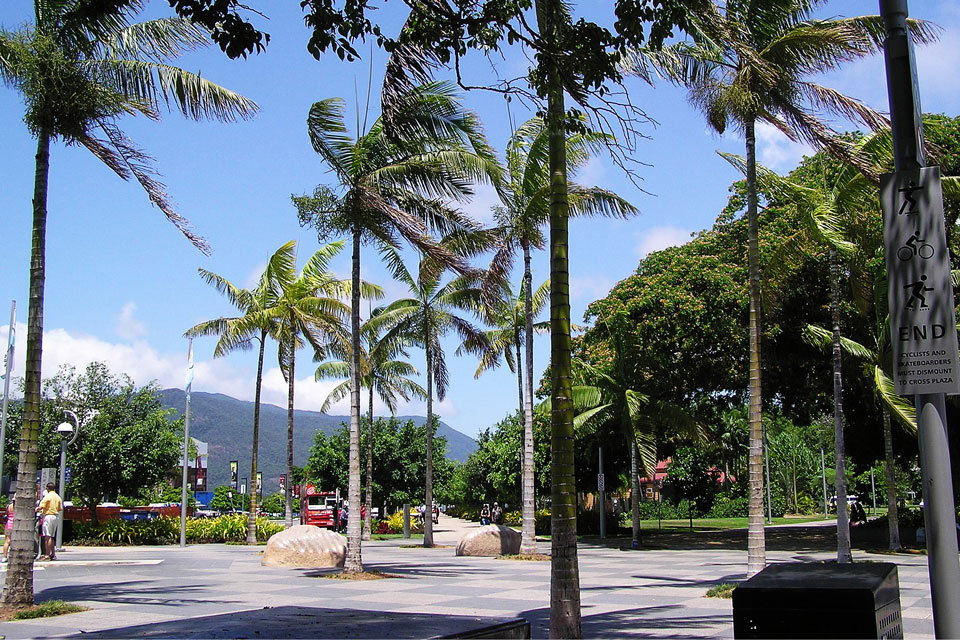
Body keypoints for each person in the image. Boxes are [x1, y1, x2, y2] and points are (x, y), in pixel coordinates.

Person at [37, 483, 62, 561]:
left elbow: (41, 506)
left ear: (47, 488)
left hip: (48, 516)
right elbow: (60, 508)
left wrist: (36, 509)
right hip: (55, 517)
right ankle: (53, 554)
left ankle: (47, 555)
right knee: (51, 536)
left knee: (47, 536)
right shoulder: (57, 497)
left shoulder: (47, 496)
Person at [3, 497, 14, 562]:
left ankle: (4, 556)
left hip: (9, 524)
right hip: (15, 524)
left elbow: (6, 514)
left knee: (7, 541)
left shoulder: (9, 506)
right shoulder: (19, 507)